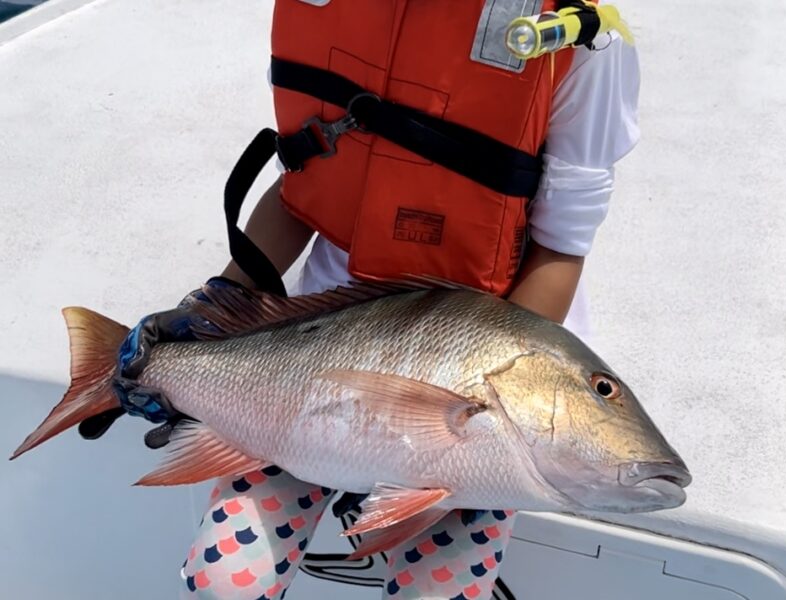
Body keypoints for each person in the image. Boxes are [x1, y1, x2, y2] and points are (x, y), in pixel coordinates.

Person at [84, 1, 640, 598]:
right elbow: (306, 192)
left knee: (439, 590)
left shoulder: (586, 43)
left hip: (488, 367)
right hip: (315, 350)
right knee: (224, 582)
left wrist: (443, 441)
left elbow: (561, 245)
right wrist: (219, 300)